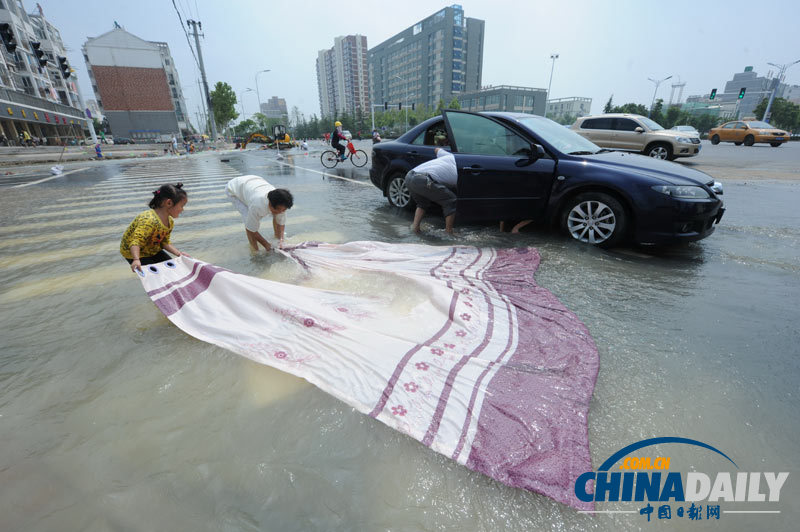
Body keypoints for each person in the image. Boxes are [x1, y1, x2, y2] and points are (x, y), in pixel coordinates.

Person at [120, 183, 189, 273]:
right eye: (182, 206)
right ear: (169, 203)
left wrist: (179, 254)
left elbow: (164, 242)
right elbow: (135, 241)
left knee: (172, 269)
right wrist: (136, 260)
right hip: (134, 252)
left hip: (151, 248)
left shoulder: (169, 222)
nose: (182, 209)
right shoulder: (148, 220)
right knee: (155, 275)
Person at [226, 175, 294, 252]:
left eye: (284, 210)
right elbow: (251, 229)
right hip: (234, 188)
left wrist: (281, 239)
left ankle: (277, 238)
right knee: (248, 220)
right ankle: (255, 250)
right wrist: (266, 245)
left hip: (254, 181)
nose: (281, 212)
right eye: (278, 210)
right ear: (270, 204)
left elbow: (281, 222)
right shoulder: (257, 206)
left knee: (278, 215)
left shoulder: (281, 202)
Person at [407, 141, 458, 235]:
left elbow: (436, 149)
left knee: (422, 203)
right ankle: (449, 232)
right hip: (423, 180)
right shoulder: (459, 170)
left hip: (410, 175)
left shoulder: (449, 156)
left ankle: (415, 228)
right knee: (451, 199)